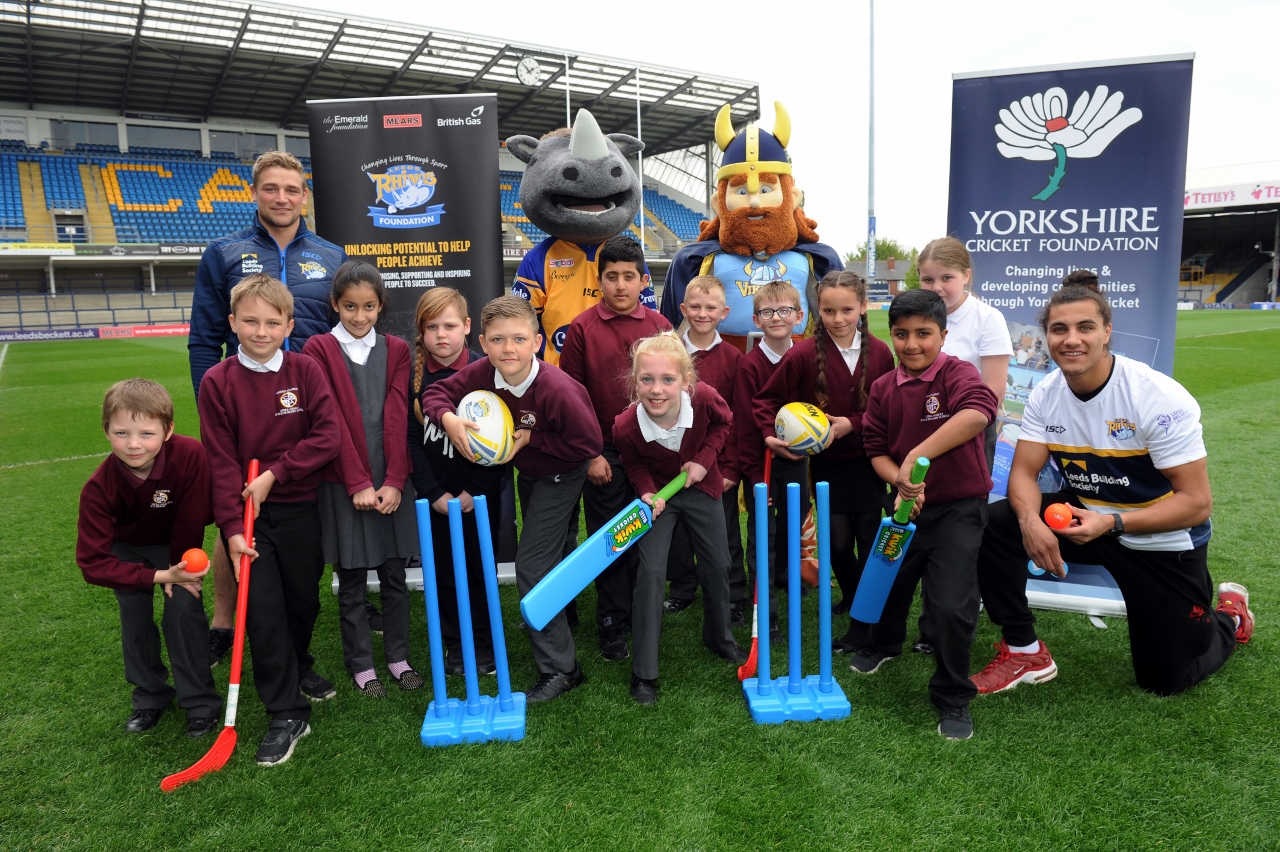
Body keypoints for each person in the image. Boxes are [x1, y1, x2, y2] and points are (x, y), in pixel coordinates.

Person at [970, 278, 1253, 700]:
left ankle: (1228, 617)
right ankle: (1024, 649)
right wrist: (1030, 522)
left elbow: (1196, 504)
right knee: (994, 523)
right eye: (1059, 329)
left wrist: (1113, 522)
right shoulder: (1046, 394)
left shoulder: (1155, 396)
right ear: (1046, 336)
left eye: (1085, 327)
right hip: (1088, 518)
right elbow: (1024, 475)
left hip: (1161, 539)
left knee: (1165, 680)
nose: (1071, 340)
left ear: (1107, 332)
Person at [187, 150, 351, 666]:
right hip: (245, 406)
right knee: (236, 512)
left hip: (309, 404)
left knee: (309, 511)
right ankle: (223, 617)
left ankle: (318, 600)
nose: (282, 198)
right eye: (270, 188)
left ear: (304, 195)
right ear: (254, 193)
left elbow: (341, 332)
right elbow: (203, 339)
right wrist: (213, 405)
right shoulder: (224, 251)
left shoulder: (330, 254)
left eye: (291, 189)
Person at [421, 296, 603, 704]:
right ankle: (558, 614)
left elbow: (589, 443)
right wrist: (449, 419)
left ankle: (563, 669)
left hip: (562, 472)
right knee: (551, 553)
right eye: (498, 340)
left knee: (532, 565)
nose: (508, 349)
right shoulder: (482, 371)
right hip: (531, 474)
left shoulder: (557, 388)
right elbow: (433, 398)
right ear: (482, 343)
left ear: (537, 342)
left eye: (519, 339)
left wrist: (533, 437)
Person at [197, 274, 342, 766]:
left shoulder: (306, 370)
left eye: (272, 322)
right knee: (262, 612)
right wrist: (233, 532)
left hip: (299, 506)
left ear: (289, 325)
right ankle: (286, 711)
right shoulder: (217, 381)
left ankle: (300, 663)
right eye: (251, 321)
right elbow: (218, 462)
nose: (261, 331)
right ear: (233, 322)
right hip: (247, 518)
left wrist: (276, 474)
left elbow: (328, 436)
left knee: (302, 602)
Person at [859, 289, 999, 740]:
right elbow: (875, 450)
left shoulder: (958, 373)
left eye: (924, 333)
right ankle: (884, 644)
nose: (912, 344)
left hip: (959, 509)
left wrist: (916, 456)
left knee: (949, 607)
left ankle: (953, 697)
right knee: (889, 583)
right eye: (901, 334)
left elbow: (979, 413)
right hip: (904, 508)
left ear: (943, 334)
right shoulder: (883, 387)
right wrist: (900, 480)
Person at [756, 271, 896, 654]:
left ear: (863, 307)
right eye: (829, 310)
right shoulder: (802, 354)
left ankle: (863, 623)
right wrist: (773, 433)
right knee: (835, 547)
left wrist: (853, 423)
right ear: (818, 309)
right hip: (826, 468)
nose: (838, 319)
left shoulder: (881, 352)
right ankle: (853, 597)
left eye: (847, 309)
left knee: (869, 544)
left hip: (870, 462)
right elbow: (766, 401)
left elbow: (888, 411)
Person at [76, 379, 222, 738]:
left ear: (168, 430)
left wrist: (179, 572)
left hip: (177, 545)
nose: (134, 444)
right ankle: (150, 696)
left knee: (184, 612)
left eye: (146, 433)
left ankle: (200, 704)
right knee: (134, 613)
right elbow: (92, 563)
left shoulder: (190, 455)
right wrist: (157, 578)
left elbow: (193, 519)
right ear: (106, 431)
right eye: (122, 432)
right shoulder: (98, 488)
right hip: (127, 551)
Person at [302, 261, 421, 697]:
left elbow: (395, 417)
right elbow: (329, 420)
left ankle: (398, 658)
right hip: (341, 484)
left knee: (394, 578)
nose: (359, 316)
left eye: (368, 307)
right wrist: (357, 483)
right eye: (350, 307)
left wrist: (392, 480)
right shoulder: (316, 349)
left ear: (380, 307)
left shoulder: (397, 349)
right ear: (335, 304)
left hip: (391, 482)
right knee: (350, 581)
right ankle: (361, 665)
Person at [611, 333, 748, 704]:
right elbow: (634, 464)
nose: (657, 390)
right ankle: (644, 672)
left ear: (686, 382)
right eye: (647, 379)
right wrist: (645, 492)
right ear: (634, 380)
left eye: (668, 380)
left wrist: (703, 462)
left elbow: (725, 423)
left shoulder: (703, 399)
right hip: (660, 498)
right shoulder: (625, 426)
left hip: (702, 488)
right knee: (652, 572)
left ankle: (719, 638)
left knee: (719, 564)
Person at [559, 236, 672, 661]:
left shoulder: (660, 326)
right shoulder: (583, 328)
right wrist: (591, 455)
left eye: (629, 277)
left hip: (654, 453)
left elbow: (677, 388)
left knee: (647, 534)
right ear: (599, 279)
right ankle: (611, 620)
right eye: (612, 277)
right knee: (611, 536)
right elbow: (573, 398)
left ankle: (643, 612)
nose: (620, 285)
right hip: (604, 453)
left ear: (644, 279)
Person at [912, 237, 1013, 656]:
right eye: (927, 279)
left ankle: (949, 629)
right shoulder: (919, 314)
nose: (936, 286)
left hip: (969, 437)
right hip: (920, 433)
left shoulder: (987, 318)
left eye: (946, 278)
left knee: (961, 535)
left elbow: (992, 392)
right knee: (923, 529)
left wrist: (944, 432)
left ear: (967, 276)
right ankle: (929, 622)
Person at [407, 286, 504, 678]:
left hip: (479, 494)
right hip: (436, 498)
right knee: (444, 570)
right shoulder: (415, 377)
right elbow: (412, 440)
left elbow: (500, 443)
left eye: (449, 325)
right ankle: (454, 642)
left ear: (467, 327)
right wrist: (433, 493)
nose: (441, 335)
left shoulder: (486, 371)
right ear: (422, 332)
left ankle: (482, 641)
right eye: (432, 327)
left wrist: (472, 491)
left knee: (480, 568)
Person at [663, 275, 746, 624]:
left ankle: (732, 594)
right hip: (673, 459)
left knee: (724, 531)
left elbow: (739, 417)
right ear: (682, 309)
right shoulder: (667, 352)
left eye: (710, 307)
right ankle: (682, 588)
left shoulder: (734, 358)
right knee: (677, 529)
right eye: (694, 306)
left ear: (723, 312)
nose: (701, 313)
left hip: (717, 465)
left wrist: (731, 468)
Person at [733, 281, 805, 643]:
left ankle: (788, 582)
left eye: (784, 311)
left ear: (799, 316)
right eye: (767, 312)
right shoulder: (750, 366)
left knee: (794, 528)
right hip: (762, 466)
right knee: (764, 535)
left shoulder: (805, 356)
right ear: (756, 319)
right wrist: (752, 476)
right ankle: (766, 609)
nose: (776, 318)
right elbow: (746, 427)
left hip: (799, 463)